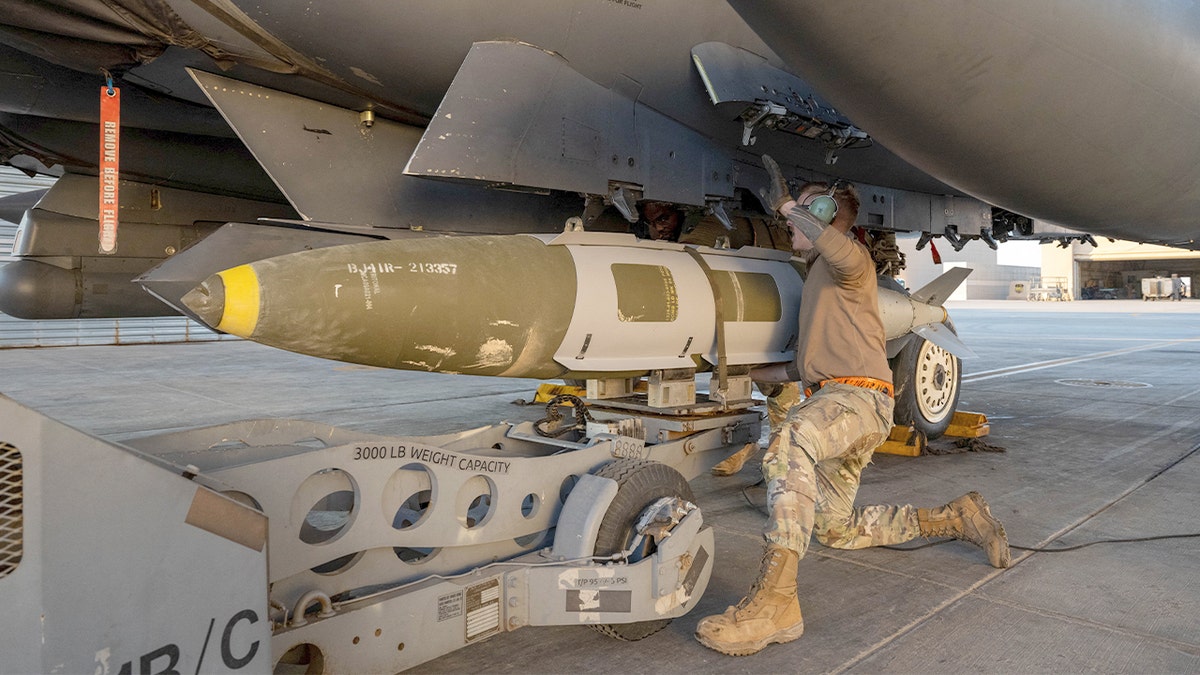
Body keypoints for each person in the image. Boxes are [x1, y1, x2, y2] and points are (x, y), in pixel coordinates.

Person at [694, 156, 1011, 657]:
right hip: (846, 402)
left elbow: (837, 249)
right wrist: (739, 372)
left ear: (823, 216)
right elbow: (801, 369)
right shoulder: (821, 282)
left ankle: (775, 604)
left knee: (789, 442)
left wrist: (784, 205)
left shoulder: (852, 263)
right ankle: (955, 517)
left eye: (804, 208)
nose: (790, 219)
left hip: (856, 400)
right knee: (835, 530)